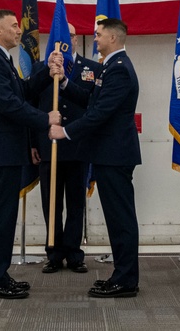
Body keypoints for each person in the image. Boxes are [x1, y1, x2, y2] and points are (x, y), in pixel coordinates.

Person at [49, 18, 141, 298]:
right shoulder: (111, 66)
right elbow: (92, 101)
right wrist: (64, 81)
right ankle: (121, 275)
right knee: (116, 218)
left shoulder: (120, 69)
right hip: (108, 154)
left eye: (99, 35)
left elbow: (100, 114)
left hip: (115, 155)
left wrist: (64, 131)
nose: (95, 38)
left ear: (113, 38)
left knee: (121, 218)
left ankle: (126, 280)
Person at [0, 9, 60, 299]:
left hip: (7, 152)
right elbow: (9, 105)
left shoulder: (3, 61)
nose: (18, 31)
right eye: (13, 26)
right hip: (0, 153)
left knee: (5, 216)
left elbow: (22, 91)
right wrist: (45, 118)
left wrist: (47, 73)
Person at [32, 23, 100, 275]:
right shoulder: (41, 69)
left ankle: (73, 253)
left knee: (75, 203)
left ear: (75, 38)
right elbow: (32, 106)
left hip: (77, 145)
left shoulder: (91, 69)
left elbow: (92, 104)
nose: (66, 40)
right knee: (51, 203)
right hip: (48, 145)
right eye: (61, 35)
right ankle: (53, 252)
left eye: (70, 35)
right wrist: (32, 143)